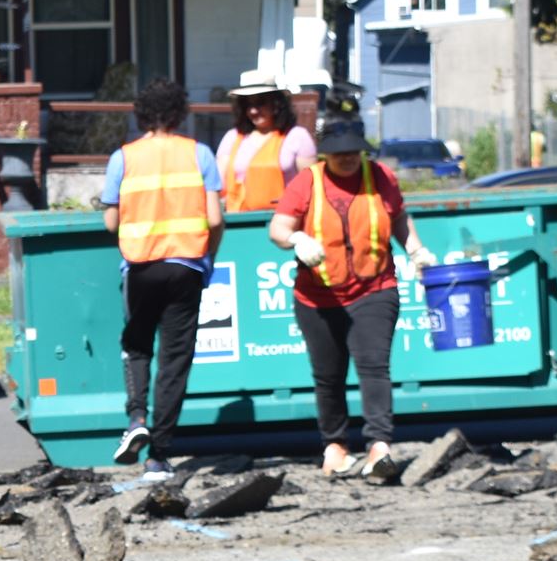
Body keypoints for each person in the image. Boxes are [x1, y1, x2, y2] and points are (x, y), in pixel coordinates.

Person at [267, 117, 435, 479]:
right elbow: (278, 227)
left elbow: (399, 219)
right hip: (318, 296)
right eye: (337, 153)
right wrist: (297, 239)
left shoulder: (380, 178)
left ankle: (379, 447)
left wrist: (416, 250)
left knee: (374, 366)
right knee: (328, 375)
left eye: (351, 152)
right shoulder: (307, 182)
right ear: (324, 155)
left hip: (375, 288)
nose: (345, 159)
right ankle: (335, 447)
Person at [98, 77, 223, 478]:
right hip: (187, 265)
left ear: (141, 114)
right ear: (179, 111)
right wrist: (208, 258)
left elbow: (111, 220)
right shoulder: (199, 153)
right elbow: (216, 219)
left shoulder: (124, 157)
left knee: (137, 345)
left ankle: (137, 419)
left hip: (141, 266)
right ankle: (159, 454)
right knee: (175, 359)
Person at [216, 78, 316, 211]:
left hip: (284, 218)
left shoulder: (297, 136)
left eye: (260, 104)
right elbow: (218, 183)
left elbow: (311, 185)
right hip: (238, 219)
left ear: (276, 104)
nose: (253, 111)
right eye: (248, 105)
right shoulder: (232, 137)